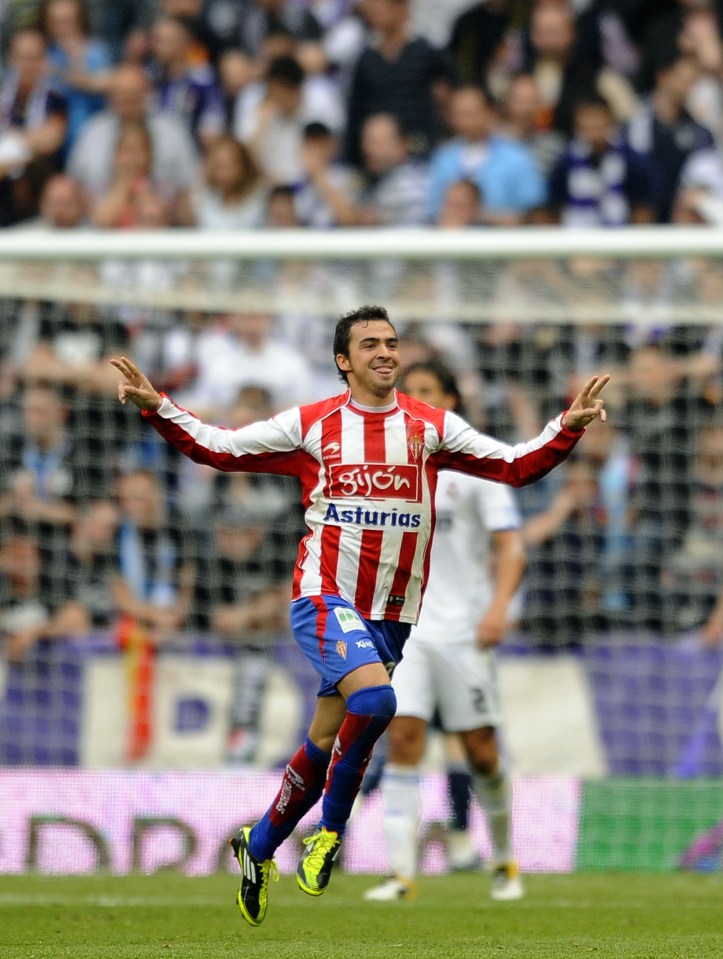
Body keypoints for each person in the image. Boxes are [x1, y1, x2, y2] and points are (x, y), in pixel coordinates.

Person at [110, 305, 608, 926]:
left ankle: (259, 845)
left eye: (392, 343)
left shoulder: (432, 427)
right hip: (323, 599)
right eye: (369, 343)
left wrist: (568, 426)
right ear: (343, 360)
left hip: (391, 617)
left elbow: (514, 466)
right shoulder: (313, 424)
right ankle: (330, 835)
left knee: (325, 739)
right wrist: (159, 406)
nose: (385, 353)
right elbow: (219, 448)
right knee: (375, 705)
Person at [362, 361, 527, 903]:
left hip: (464, 632)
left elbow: (511, 547)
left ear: (450, 401)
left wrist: (499, 607)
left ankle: (504, 860)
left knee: (480, 752)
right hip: (405, 631)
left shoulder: (478, 465)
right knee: (403, 741)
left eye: (426, 392)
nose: (413, 401)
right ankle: (402, 875)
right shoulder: (384, 468)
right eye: (407, 393)